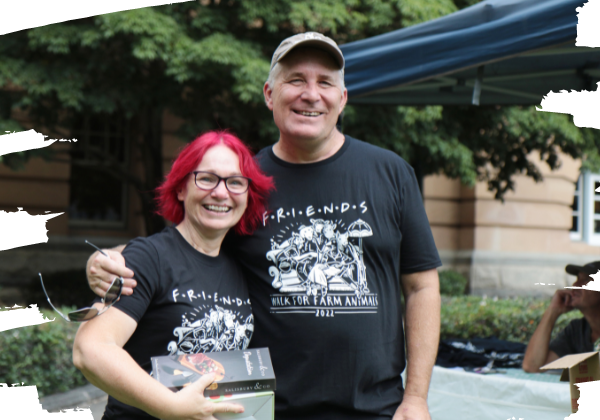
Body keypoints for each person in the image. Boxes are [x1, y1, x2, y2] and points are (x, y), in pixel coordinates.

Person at [86, 32, 442, 420]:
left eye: (325, 82)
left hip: (375, 410)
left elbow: (421, 285)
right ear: (270, 94)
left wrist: (417, 398)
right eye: (295, 80)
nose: (311, 94)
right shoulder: (245, 182)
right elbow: (183, 245)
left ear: (342, 100)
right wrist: (108, 260)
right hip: (270, 410)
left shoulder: (390, 173)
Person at [73, 130, 274, 420]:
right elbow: (90, 349)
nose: (221, 192)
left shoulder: (242, 264)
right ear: (181, 188)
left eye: (235, 182)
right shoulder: (149, 258)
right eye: (206, 178)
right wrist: (172, 407)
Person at [522, 261, 600, 373]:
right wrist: (552, 312)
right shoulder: (577, 330)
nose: (575, 285)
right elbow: (532, 366)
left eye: (587, 280)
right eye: (577, 278)